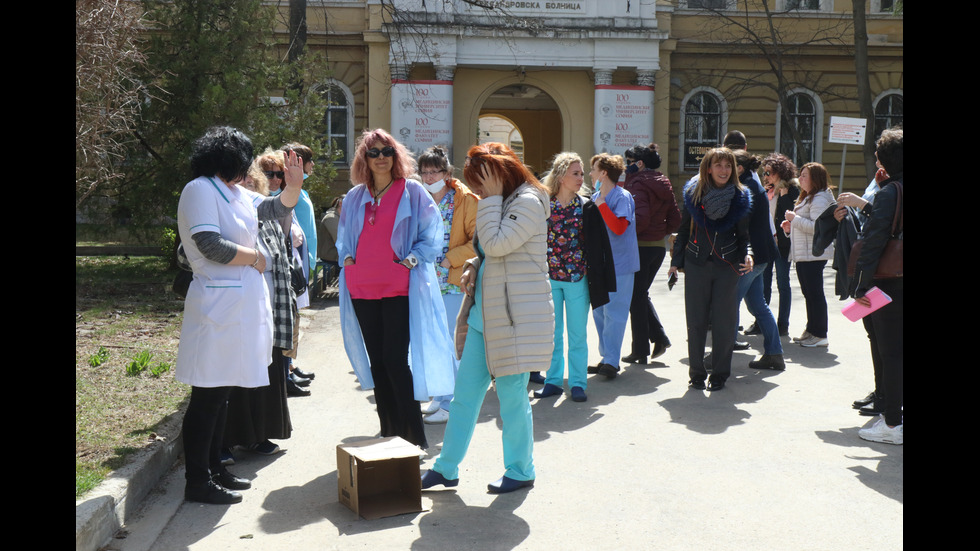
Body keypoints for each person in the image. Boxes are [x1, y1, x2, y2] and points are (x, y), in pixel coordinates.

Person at [176, 126, 304, 504]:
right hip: (217, 307)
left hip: (240, 308)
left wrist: (293, 185)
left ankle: (216, 468)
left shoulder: (234, 192)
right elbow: (208, 243)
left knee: (224, 394)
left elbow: (274, 209)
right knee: (207, 397)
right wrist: (256, 258)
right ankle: (197, 481)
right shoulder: (199, 189)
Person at [421, 142, 554, 494]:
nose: (477, 190)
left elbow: (496, 244)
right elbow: (489, 252)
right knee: (465, 394)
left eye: (481, 181)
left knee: (512, 396)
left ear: (498, 171)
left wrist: (490, 199)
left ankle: (522, 469)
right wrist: (473, 264)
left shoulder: (529, 199)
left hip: (514, 316)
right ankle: (446, 468)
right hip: (486, 314)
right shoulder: (504, 200)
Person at [337, 129, 454, 449]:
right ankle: (388, 430)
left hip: (399, 288)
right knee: (378, 361)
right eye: (372, 152)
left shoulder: (412, 191)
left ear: (396, 155)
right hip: (361, 288)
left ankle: (413, 435)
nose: (380, 158)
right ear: (364, 158)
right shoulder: (354, 196)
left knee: (395, 360)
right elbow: (343, 236)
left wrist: (412, 260)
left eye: (386, 151)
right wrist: (347, 259)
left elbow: (433, 233)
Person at [223, 163, 295, 458]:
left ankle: (259, 436)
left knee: (266, 376)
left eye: (254, 186)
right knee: (233, 380)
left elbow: (282, 267)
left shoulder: (270, 220)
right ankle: (225, 441)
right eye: (244, 185)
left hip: (268, 312)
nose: (248, 190)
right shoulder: (227, 219)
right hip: (235, 310)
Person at [667, 148, 753, 391]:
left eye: (728, 166)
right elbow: (683, 231)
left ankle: (719, 374)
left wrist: (747, 255)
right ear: (708, 168)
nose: (724, 170)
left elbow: (744, 236)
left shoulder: (741, 197)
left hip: (727, 266)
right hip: (696, 264)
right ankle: (696, 373)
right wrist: (676, 261)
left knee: (724, 323)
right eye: (719, 165)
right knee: (696, 321)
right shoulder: (694, 195)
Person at [848, 127, 903, 445]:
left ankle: (893, 424)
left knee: (891, 351)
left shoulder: (891, 191)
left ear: (883, 160)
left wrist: (860, 285)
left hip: (891, 283)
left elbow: (874, 241)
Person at [416, 146, 478, 424]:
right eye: (425, 172)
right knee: (435, 342)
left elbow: (477, 240)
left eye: (435, 171)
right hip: (424, 282)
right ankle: (440, 396)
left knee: (453, 343)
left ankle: (454, 402)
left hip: (453, 281)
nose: (429, 177)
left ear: (447, 172)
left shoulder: (465, 199)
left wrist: (448, 260)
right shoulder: (416, 198)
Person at [536, 152, 591, 402]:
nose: (581, 178)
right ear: (561, 176)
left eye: (581, 173)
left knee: (578, 334)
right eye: (575, 173)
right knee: (552, 333)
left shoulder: (586, 206)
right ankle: (553, 381)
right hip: (549, 278)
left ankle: (578, 383)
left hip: (577, 278)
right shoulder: (543, 204)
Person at [258, 151, 314, 395]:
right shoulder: (260, 201)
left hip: (289, 273)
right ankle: (284, 377)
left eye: (279, 174)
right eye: (268, 173)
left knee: (290, 327)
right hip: (269, 279)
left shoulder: (284, 198)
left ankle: (287, 373)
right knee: (277, 335)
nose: (274, 179)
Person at [622, 143, 680, 364]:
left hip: (640, 246)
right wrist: (660, 234)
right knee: (639, 295)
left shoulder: (637, 183)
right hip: (657, 247)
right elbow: (675, 218)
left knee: (635, 297)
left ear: (639, 163)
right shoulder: (663, 182)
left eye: (629, 163)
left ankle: (641, 350)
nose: (626, 167)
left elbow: (641, 217)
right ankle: (657, 339)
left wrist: (625, 236)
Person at [588, 153, 639, 379]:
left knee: (615, 314)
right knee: (599, 313)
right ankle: (606, 356)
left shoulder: (622, 196)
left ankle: (612, 361)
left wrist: (600, 205)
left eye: (593, 169)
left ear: (604, 173)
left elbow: (619, 227)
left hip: (621, 265)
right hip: (600, 265)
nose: (590, 174)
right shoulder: (595, 196)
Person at [732, 150, 784, 371]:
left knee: (728, 302)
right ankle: (774, 353)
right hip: (761, 255)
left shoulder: (745, 188)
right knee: (758, 305)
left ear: (739, 168)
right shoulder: (752, 183)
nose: (723, 170)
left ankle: (721, 355)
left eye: (728, 165)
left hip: (753, 257)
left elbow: (742, 225)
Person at [781, 162, 835, 348]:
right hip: (805, 254)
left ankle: (820, 334)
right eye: (800, 175)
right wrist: (790, 227)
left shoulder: (819, 198)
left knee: (814, 294)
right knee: (809, 293)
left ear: (815, 179)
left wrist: (794, 219)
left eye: (804, 175)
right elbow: (805, 226)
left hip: (814, 254)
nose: (800, 179)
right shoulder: (809, 197)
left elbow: (816, 228)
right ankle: (812, 330)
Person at [760, 154, 799, 337]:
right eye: (764, 172)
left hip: (783, 244)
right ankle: (762, 322)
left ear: (780, 172)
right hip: (767, 243)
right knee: (763, 283)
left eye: (769, 172)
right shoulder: (767, 190)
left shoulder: (792, 190)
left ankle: (783, 324)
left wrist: (783, 195)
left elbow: (788, 214)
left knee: (783, 284)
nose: (766, 176)